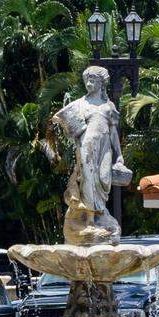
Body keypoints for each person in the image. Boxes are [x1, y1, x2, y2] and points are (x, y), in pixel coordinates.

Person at [53, 66, 131, 246]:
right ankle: (89, 220)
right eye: (87, 81)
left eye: (93, 81)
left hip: (104, 148)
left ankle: (101, 212)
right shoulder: (81, 104)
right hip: (86, 147)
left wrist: (119, 156)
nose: (89, 84)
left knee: (104, 179)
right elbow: (71, 126)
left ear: (101, 84)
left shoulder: (108, 106)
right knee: (88, 180)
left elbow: (113, 134)